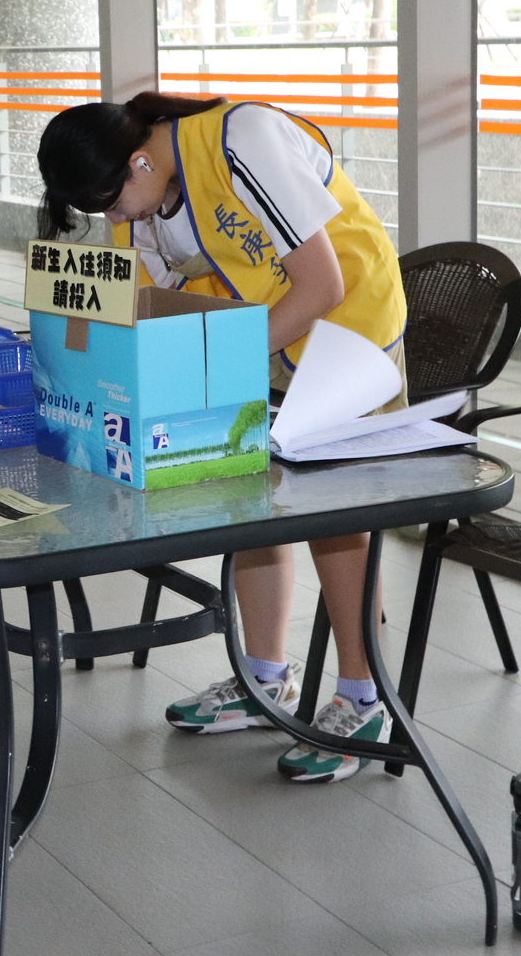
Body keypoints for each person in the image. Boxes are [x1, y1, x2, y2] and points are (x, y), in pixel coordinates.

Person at [36, 91, 408, 783]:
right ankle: (264, 679)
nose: (115, 219)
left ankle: (364, 699)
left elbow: (323, 284)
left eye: (112, 203)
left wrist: (221, 360)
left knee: (339, 518)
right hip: (258, 332)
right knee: (247, 497)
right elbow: (149, 303)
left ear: (139, 160)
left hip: (345, 329)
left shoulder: (244, 138)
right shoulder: (143, 199)